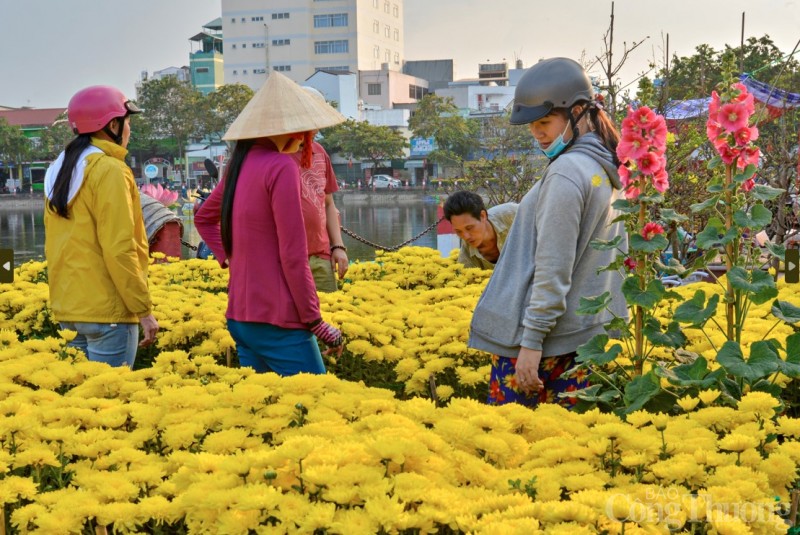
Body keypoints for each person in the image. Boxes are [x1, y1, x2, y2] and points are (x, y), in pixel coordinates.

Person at [468, 57, 628, 408]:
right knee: (568, 452)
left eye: (545, 121)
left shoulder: (566, 173)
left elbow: (552, 267)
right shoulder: (608, 168)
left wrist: (531, 342)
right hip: (582, 340)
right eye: (532, 125)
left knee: (511, 448)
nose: (537, 133)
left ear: (579, 111)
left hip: (538, 348)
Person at [194, 71, 346, 376]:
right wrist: (316, 321)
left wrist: (230, 255)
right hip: (279, 320)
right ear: (295, 130)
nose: (311, 138)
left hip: (241, 317)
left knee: (265, 411)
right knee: (314, 405)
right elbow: (293, 255)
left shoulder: (242, 163)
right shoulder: (280, 167)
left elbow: (204, 218)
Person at [43, 85, 159, 367]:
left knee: (83, 404)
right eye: (127, 121)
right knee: (112, 403)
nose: (130, 129)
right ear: (113, 124)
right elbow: (119, 248)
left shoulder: (60, 169)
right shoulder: (110, 169)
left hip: (70, 311)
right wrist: (142, 309)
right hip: (109, 315)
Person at [291, 87, 349, 292]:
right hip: (287, 260)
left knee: (328, 317)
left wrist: (338, 246)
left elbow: (328, 203)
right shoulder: (275, 157)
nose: (316, 128)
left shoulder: (319, 153)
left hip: (321, 256)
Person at [443, 190, 517, 269]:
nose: (466, 236)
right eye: (459, 231)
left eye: (469, 228)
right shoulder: (467, 256)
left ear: (483, 216)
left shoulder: (513, 214)